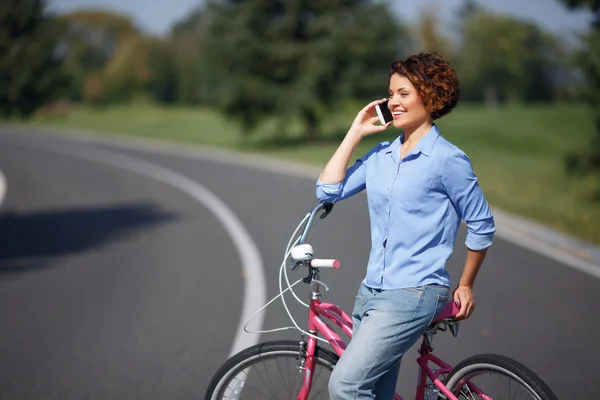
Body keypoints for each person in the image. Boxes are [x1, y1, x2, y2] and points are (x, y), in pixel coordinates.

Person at [315, 52, 496, 399]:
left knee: (345, 386)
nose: (393, 102)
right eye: (390, 94)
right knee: (373, 391)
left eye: (403, 94)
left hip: (413, 293)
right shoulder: (380, 156)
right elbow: (328, 190)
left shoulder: (447, 159)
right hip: (370, 292)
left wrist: (466, 284)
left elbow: (481, 225)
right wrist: (355, 132)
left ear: (430, 96)